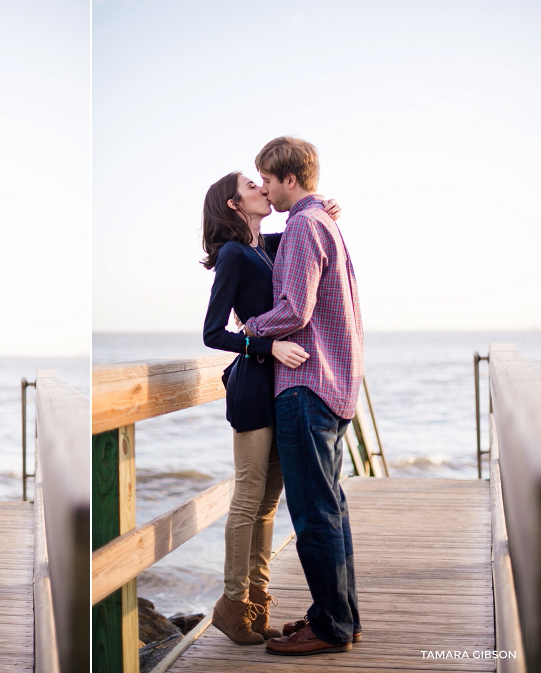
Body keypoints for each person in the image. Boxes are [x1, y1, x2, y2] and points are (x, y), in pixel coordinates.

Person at [201, 172, 339, 646]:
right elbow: (213, 333)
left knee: (268, 505)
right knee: (248, 499)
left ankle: (257, 604)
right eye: (250, 185)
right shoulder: (235, 256)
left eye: (263, 182)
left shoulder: (267, 246)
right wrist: (269, 346)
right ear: (234, 204)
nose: (263, 189)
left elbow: (305, 228)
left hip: (282, 385)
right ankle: (231, 604)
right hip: (253, 387)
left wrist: (326, 210)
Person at [242, 136, 364, 656]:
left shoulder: (303, 226)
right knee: (330, 508)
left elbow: (294, 309)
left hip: (307, 385)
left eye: (268, 180)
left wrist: (249, 327)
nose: (266, 189)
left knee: (313, 512)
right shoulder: (323, 221)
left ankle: (332, 627)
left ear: (289, 178)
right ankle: (339, 616)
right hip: (335, 383)